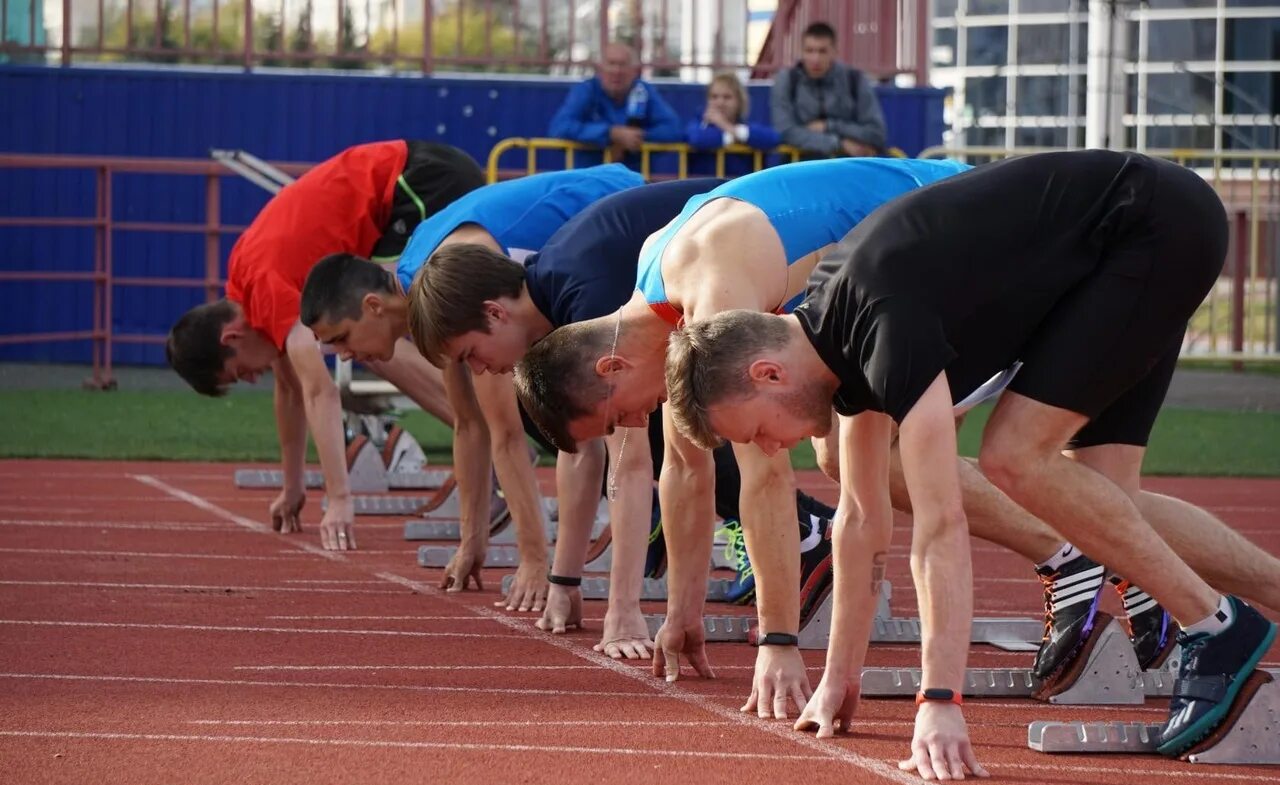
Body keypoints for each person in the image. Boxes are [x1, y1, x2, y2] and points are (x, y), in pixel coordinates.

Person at [663, 150, 1279, 776]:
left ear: (766, 373)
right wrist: (838, 677)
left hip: (1147, 223)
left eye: (760, 431)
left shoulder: (881, 323)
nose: (768, 449)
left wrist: (939, 700)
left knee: (1014, 455)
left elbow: (939, 527)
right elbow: (858, 519)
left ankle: (1215, 625)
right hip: (1123, 243)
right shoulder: (834, 343)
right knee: (1099, 498)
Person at [513, 157, 972, 720]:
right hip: (912, 257)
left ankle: (1061, 555)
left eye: (613, 421)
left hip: (958, 222)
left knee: (873, 458)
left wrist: (777, 643)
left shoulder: (712, 292)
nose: (632, 428)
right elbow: (683, 468)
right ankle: (1062, 550)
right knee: (855, 456)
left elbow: (766, 479)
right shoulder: (660, 284)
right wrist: (683, 613)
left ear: (610, 368)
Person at [407, 178, 837, 658]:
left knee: (710, 428)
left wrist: (623, 610)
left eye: (472, 355)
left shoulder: (586, 300)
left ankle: (807, 533)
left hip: (790, 251)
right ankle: (780, 532)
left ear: (494, 313)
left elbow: (629, 466)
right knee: (653, 427)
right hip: (750, 259)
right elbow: (582, 452)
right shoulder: (559, 294)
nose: (481, 371)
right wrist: (564, 578)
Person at [301, 164, 643, 610]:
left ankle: (646, 528)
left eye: (342, 338)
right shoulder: (426, 290)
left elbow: (505, 436)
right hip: (582, 229)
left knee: (599, 410)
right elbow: (468, 426)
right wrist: (472, 542)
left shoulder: (448, 294)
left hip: (621, 210)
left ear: (372, 306)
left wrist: (536, 561)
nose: (345, 356)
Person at [165, 139, 485, 552]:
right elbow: (290, 389)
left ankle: (483, 442)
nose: (253, 377)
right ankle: (483, 441)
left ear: (231, 337)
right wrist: (293, 485)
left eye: (241, 372)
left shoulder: (263, 287)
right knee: (368, 337)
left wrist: (339, 500)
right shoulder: (247, 290)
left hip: (416, 182)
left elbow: (319, 391)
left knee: (372, 338)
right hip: (407, 186)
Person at [770, 21, 887, 159]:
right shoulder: (787, 80)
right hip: (799, 169)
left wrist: (829, 126)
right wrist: (839, 143)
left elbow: (877, 134)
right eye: (810, 51)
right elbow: (785, 131)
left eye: (822, 51)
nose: (816, 59)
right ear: (801, 52)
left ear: (834, 52)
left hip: (846, 172)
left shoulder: (854, 79)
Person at [548, 42, 684, 160]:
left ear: (634, 71)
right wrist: (611, 134)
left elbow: (674, 129)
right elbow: (560, 127)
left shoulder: (643, 90)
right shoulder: (586, 90)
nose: (616, 71)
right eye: (611, 64)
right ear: (600, 69)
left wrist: (635, 137)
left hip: (634, 180)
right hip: (590, 177)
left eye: (623, 65)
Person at [686, 73, 780, 152]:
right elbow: (696, 138)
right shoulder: (699, 123)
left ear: (739, 101)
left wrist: (726, 126)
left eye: (727, 97)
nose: (720, 103)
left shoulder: (746, 124)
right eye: (714, 97)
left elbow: (772, 138)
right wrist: (735, 137)